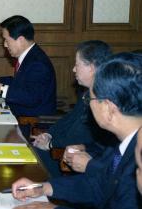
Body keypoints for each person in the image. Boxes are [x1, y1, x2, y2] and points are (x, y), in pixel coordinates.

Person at [10, 53, 142, 209]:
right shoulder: (126, 144)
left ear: (109, 109)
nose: (88, 103)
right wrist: (45, 187)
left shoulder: (138, 157)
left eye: (92, 98)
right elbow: (100, 185)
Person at [31, 40, 116, 176]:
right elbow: (69, 118)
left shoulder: (104, 100)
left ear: (92, 67)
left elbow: (83, 136)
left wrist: (51, 144)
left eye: (77, 65)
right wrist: (49, 134)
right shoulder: (87, 92)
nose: (74, 69)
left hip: (75, 161)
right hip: (63, 149)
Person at [0, 15, 56, 117]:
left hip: (30, 123)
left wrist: (0, 88)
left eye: (7, 40)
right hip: (19, 112)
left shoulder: (38, 63)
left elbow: (31, 97)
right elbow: (21, 83)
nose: (5, 45)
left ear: (20, 40)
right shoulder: (31, 55)